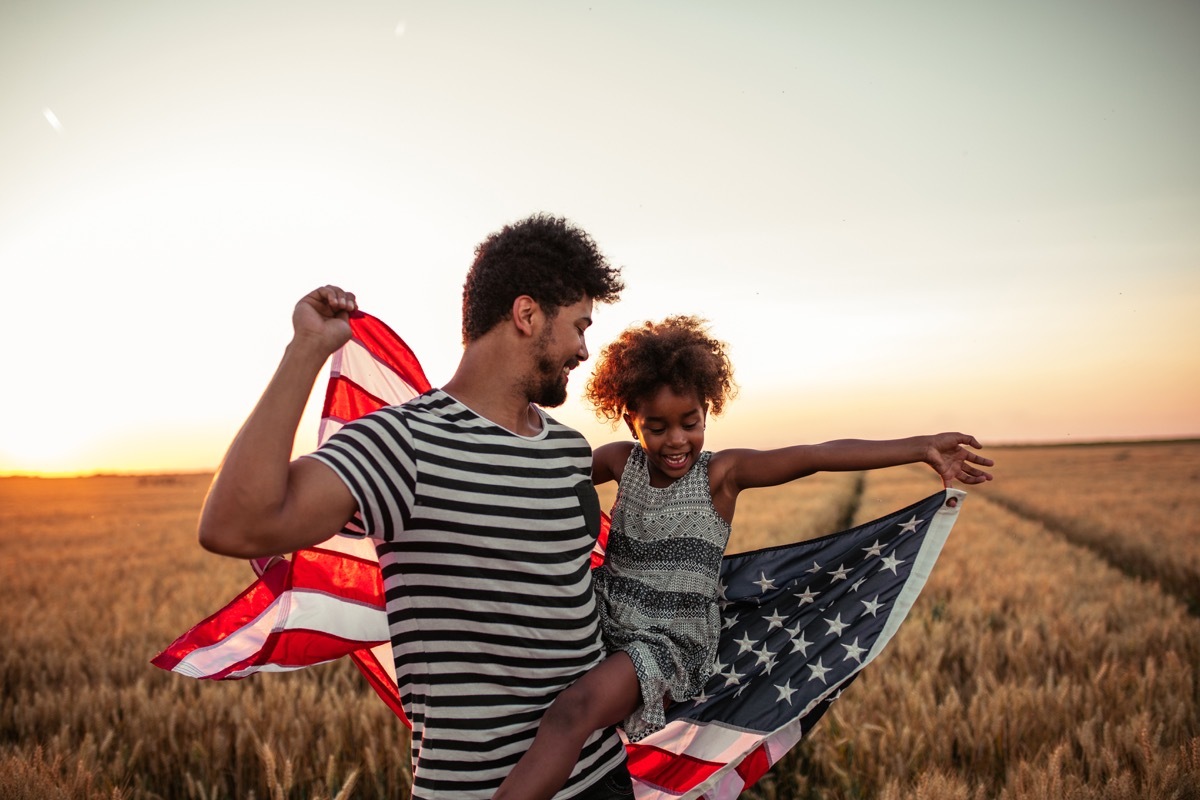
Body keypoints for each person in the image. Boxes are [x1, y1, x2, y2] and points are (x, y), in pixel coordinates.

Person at [196, 214, 635, 799]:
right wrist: (306, 350)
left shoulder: (566, 448)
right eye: (579, 326)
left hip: (601, 775)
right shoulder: (406, 443)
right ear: (527, 315)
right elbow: (235, 524)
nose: (585, 348)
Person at [494, 315, 995, 800]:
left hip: (668, 638)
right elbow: (549, 475)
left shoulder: (722, 475)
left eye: (690, 423)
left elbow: (815, 454)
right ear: (631, 420)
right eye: (658, 426)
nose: (676, 441)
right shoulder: (619, 460)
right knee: (516, 675)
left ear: (707, 412)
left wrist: (921, 447)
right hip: (604, 613)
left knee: (570, 712)